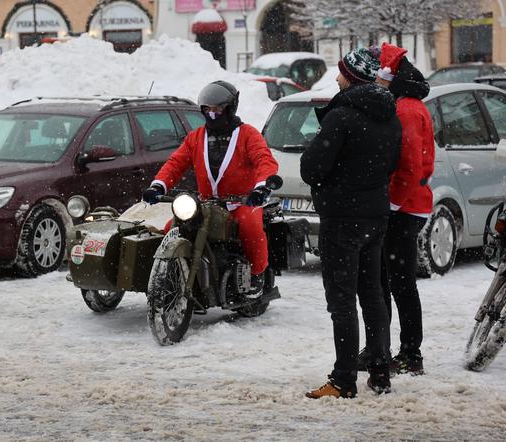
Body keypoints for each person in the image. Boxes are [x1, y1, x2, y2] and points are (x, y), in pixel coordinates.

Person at [301, 48, 402, 398]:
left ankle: (343, 379)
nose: (336, 78)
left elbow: (311, 168)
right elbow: (391, 163)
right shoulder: (390, 114)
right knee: (372, 295)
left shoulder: (341, 115)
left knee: (342, 302)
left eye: (341, 72)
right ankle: (380, 372)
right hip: (375, 215)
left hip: (342, 218)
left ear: (352, 77)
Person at [142, 80, 278, 298]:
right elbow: (175, 163)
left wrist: (261, 188)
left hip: (241, 202)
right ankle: (170, 275)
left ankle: (257, 274)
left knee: (250, 226)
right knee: (171, 228)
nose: (212, 114)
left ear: (230, 108)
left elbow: (265, 161)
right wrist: (158, 185)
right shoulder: (196, 137)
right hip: (205, 204)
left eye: (217, 109)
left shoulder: (248, 135)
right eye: (208, 109)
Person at [369, 43, 434, 375]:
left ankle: (410, 353)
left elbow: (410, 166)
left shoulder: (405, 109)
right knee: (390, 280)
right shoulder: (407, 104)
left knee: (399, 282)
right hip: (407, 205)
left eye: (379, 79)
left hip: (405, 207)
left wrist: (391, 205)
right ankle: (385, 349)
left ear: (389, 77)